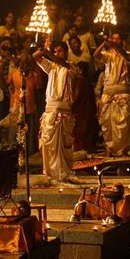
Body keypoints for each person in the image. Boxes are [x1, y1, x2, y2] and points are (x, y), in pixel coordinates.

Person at [33, 38, 80, 183]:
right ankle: (50, 174)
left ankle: (63, 174)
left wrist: (47, 53)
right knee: (48, 145)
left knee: (63, 147)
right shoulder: (51, 67)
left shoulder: (71, 67)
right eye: (55, 51)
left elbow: (62, 63)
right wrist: (42, 48)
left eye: (60, 51)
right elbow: (35, 57)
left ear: (66, 53)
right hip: (50, 109)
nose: (57, 53)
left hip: (64, 111)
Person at [93, 32, 130, 156]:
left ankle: (122, 150)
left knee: (122, 124)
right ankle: (109, 149)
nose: (115, 40)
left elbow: (124, 55)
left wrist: (111, 44)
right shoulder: (108, 54)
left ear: (121, 40)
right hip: (108, 93)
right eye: (113, 39)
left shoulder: (126, 54)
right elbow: (95, 55)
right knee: (107, 123)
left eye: (118, 38)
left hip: (121, 94)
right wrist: (103, 44)